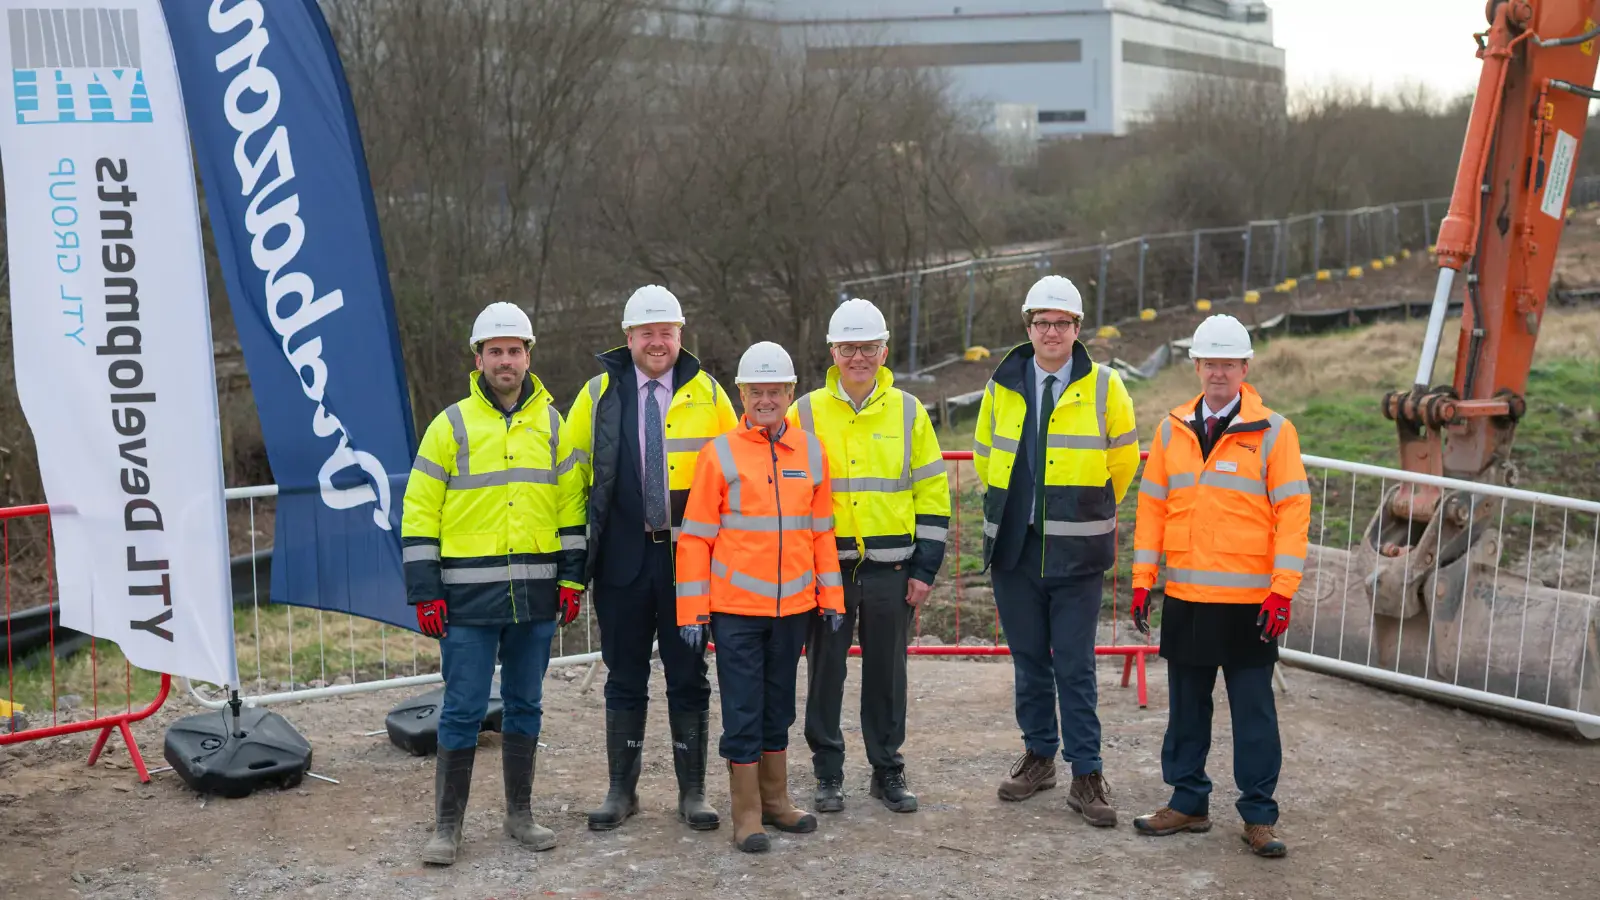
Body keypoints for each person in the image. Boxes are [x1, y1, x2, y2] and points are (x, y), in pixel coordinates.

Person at [402, 302, 588, 865]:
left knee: (525, 706)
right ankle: (447, 827)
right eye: (495, 351)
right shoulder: (450, 425)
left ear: (529, 355)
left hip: (535, 597)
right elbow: (418, 511)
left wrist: (573, 580)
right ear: (477, 358)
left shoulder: (555, 426)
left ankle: (520, 815)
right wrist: (425, 589)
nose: (506, 361)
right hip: (465, 599)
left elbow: (571, 507)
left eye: (515, 350)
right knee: (460, 710)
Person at [1128, 314, 1309, 859]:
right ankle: (1188, 802)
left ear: (1245, 368)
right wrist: (1143, 579)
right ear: (1197, 366)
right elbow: (1152, 508)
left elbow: (1294, 512)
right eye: (1210, 363)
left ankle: (1259, 816)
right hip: (1185, 597)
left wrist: (1282, 590)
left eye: (1228, 364)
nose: (1218, 373)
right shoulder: (1171, 429)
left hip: (1250, 604)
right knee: (1186, 708)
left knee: (1254, 713)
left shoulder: (1274, 432)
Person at [564, 285, 738, 833]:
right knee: (625, 674)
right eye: (647, 333)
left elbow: (736, 479)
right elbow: (571, 480)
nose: (657, 342)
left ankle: (693, 792)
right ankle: (622, 790)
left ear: (680, 335)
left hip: (689, 563)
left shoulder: (710, 394)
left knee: (689, 674)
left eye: (666, 332)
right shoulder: (596, 395)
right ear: (628, 338)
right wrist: (573, 565)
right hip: (621, 561)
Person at [972, 275, 1139, 828]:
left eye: (1061, 323)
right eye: (1042, 322)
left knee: (1074, 664)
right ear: (1028, 327)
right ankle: (1039, 756)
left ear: (1077, 329)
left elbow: (1123, 461)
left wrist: (1082, 512)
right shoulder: (1003, 383)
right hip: (1016, 549)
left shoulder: (1105, 386)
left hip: (1076, 553)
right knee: (1029, 661)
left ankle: (1086, 772)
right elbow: (983, 454)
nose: (1051, 332)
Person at [675, 341, 848, 853]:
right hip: (735, 614)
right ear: (742, 394)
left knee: (779, 710)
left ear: (790, 393)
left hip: (792, 610)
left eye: (775, 391)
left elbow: (821, 534)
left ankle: (777, 802)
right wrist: (693, 610)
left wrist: (832, 599)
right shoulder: (720, 453)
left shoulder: (811, 453)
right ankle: (746, 813)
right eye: (756, 391)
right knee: (744, 710)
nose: (765, 399)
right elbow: (696, 538)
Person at [788, 298, 949, 814]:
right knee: (825, 671)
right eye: (849, 347)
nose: (859, 357)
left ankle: (887, 769)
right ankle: (828, 772)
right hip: (827, 567)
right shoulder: (805, 411)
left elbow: (932, 492)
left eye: (869, 347)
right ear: (832, 351)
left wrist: (925, 567)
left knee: (887, 673)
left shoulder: (908, 410)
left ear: (885, 350)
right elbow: (787, 494)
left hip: (892, 568)